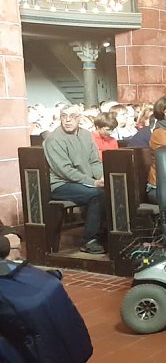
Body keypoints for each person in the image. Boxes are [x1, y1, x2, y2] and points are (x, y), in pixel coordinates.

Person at [44, 105, 107, 254]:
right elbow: (64, 171)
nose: (67, 120)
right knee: (97, 194)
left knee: (112, 189)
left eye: (72, 116)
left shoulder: (86, 135)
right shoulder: (54, 139)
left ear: (80, 118)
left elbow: (94, 161)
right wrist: (93, 182)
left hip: (82, 181)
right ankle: (90, 240)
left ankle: (106, 233)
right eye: (64, 116)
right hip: (61, 184)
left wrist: (102, 177)